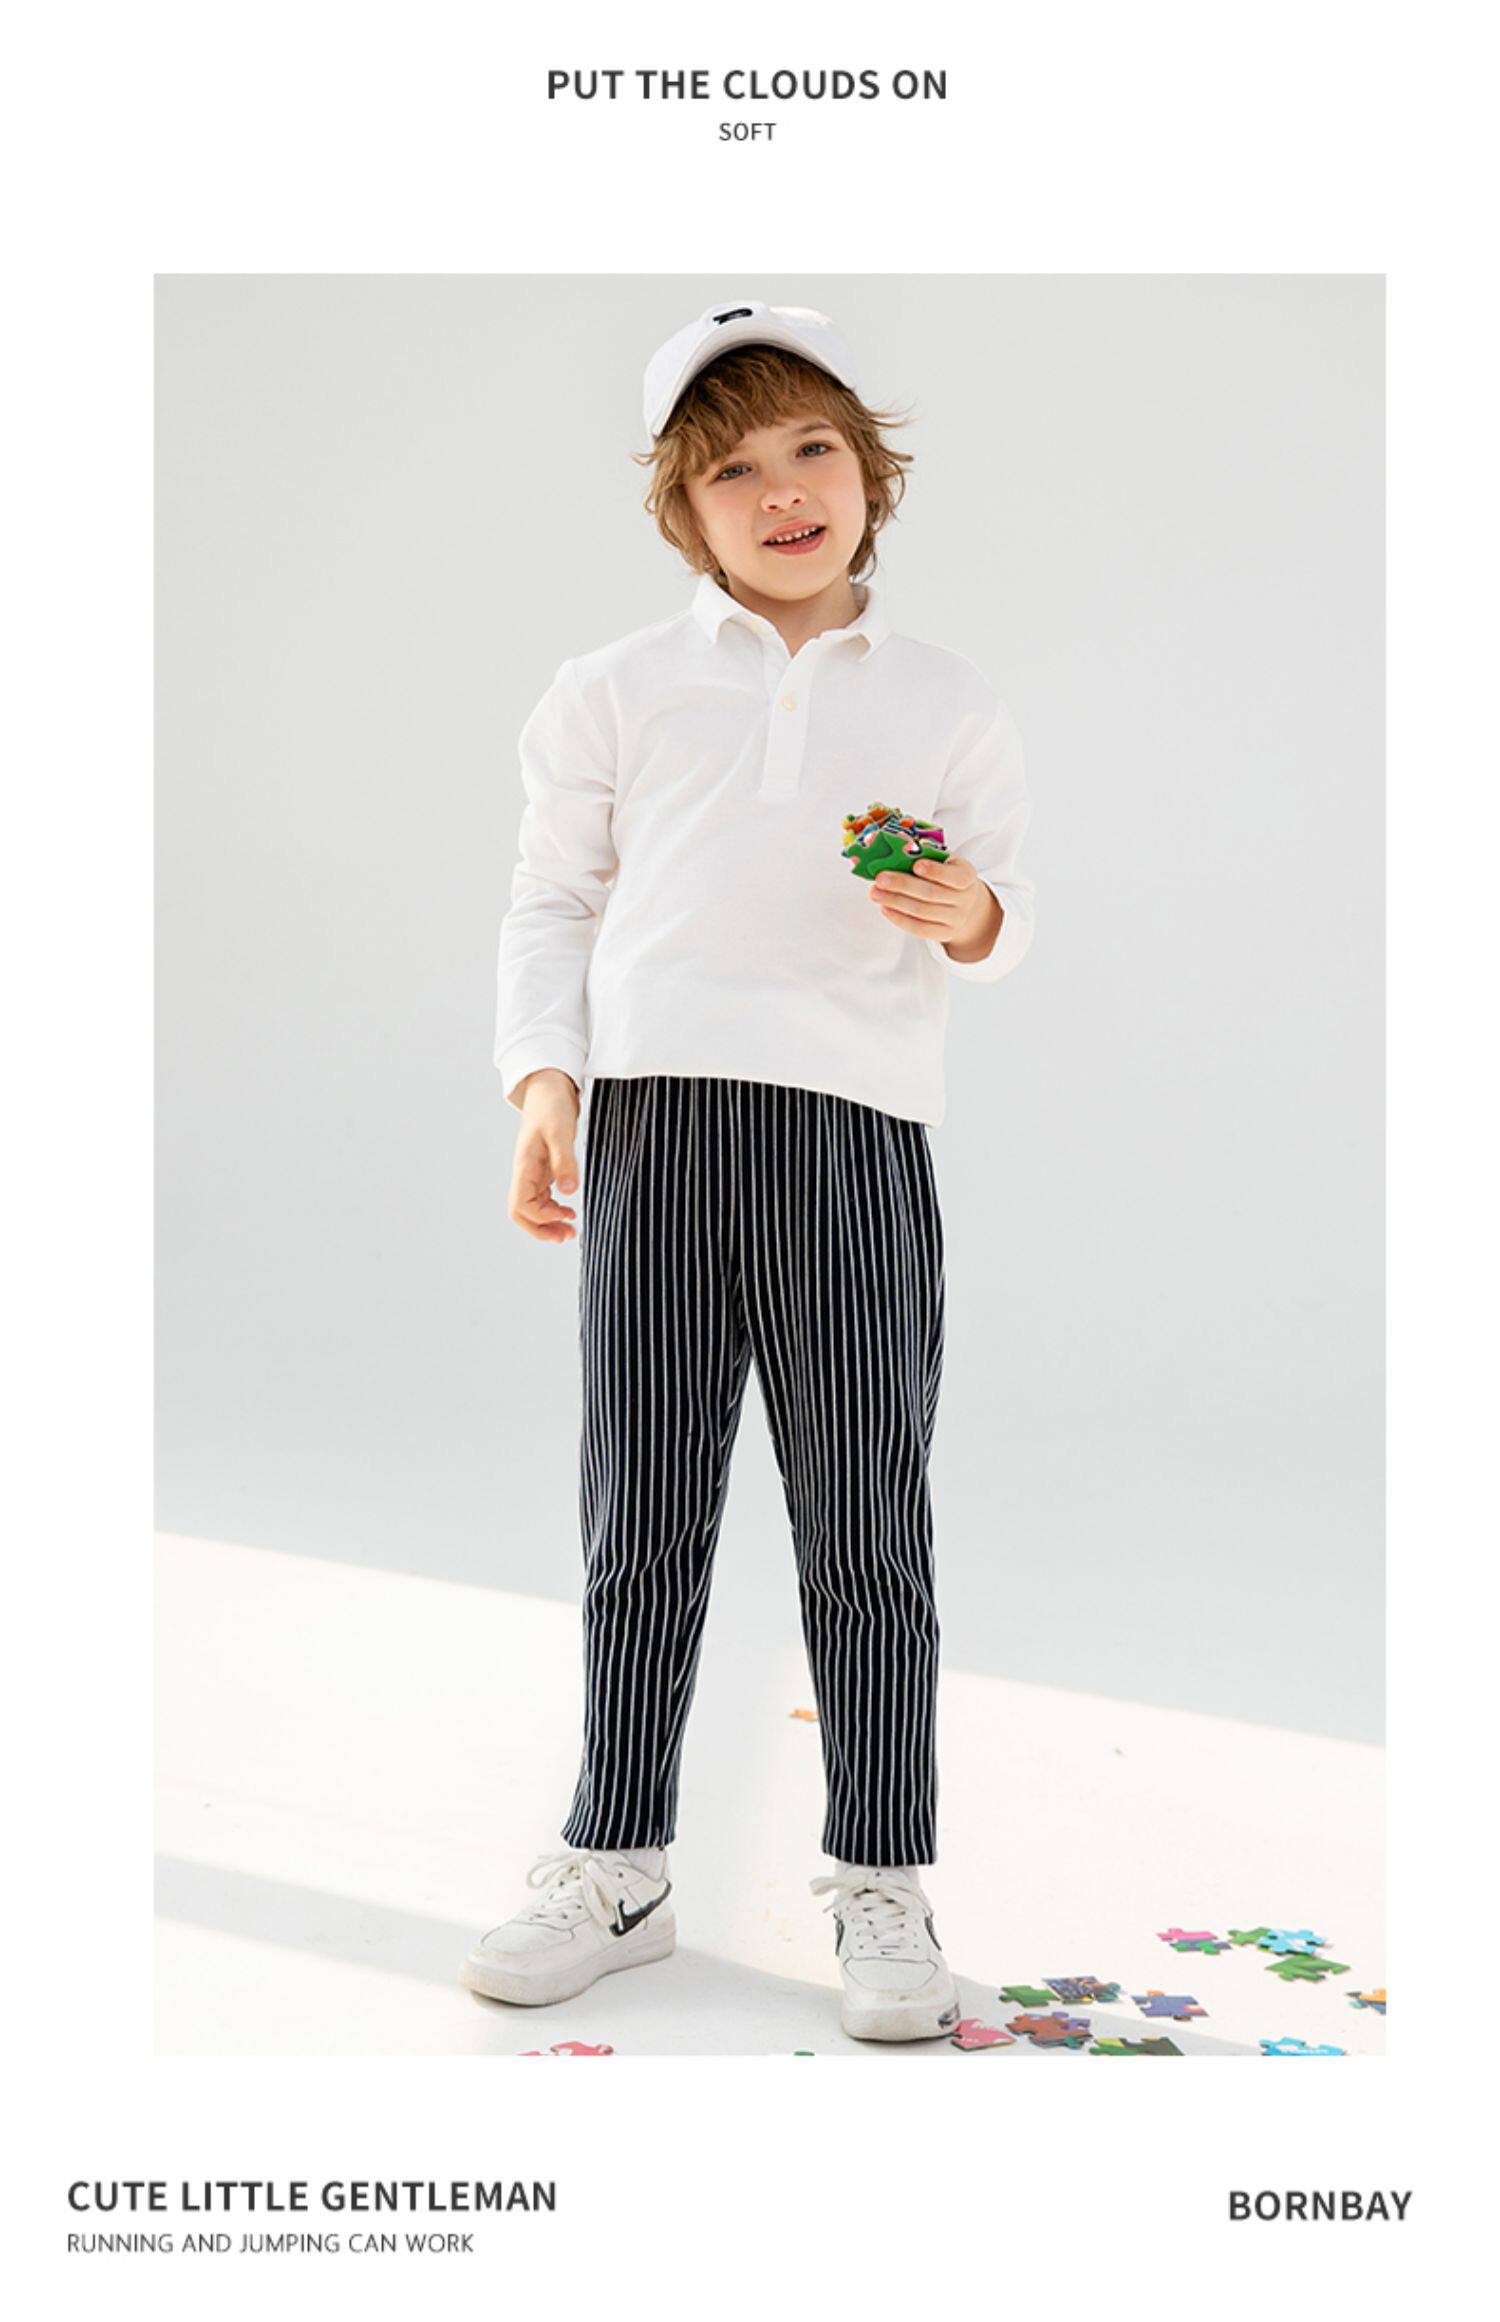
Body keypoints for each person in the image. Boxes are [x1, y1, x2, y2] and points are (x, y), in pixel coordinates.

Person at [461, 298, 1035, 2042]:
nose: (784, 491)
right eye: (732, 469)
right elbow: (553, 896)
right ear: (680, 510)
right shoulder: (614, 689)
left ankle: (880, 1874)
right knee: (638, 1505)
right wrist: (544, 1083)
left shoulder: (946, 699)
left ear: (870, 473)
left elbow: (1001, 910)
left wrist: (971, 912)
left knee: (866, 1513)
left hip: (854, 1129)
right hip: (652, 1126)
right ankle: (616, 1856)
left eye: (813, 450)